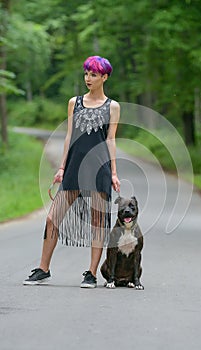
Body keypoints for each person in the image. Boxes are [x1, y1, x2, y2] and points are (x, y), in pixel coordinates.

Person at [23, 55, 120, 288]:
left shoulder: (112, 106)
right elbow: (69, 135)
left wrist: (114, 173)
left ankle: (91, 273)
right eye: (86, 73)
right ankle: (43, 269)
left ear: (104, 77)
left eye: (94, 74)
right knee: (52, 218)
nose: (88, 78)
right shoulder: (74, 102)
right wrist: (61, 167)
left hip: (100, 170)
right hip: (74, 167)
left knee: (98, 222)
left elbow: (110, 140)